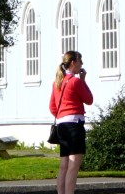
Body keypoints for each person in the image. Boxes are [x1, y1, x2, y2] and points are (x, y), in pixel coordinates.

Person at [49, 50, 93, 194]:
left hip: (62, 125)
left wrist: (62, 116)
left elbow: (52, 107)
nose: (82, 64)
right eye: (80, 61)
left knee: (64, 165)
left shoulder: (57, 82)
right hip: (74, 124)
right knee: (74, 165)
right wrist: (83, 80)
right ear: (73, 63)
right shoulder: (75, 81)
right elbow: (89, 99)